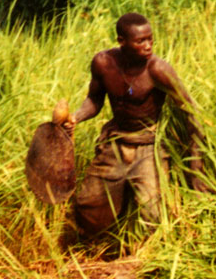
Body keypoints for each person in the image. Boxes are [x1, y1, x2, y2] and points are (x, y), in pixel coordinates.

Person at [63, 12, 208, 237]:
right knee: (87, 208)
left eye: (151, 39)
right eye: (141, 41)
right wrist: (76, 117)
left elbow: (191, 110)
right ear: (122, 41)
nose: (148, 46)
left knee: (152, 215)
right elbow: (94, 100)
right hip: (116, 143)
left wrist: (196, 167)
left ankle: (141, 258)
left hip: (148, 146)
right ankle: (91, 248)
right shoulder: (103, 63)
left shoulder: (158, 70)